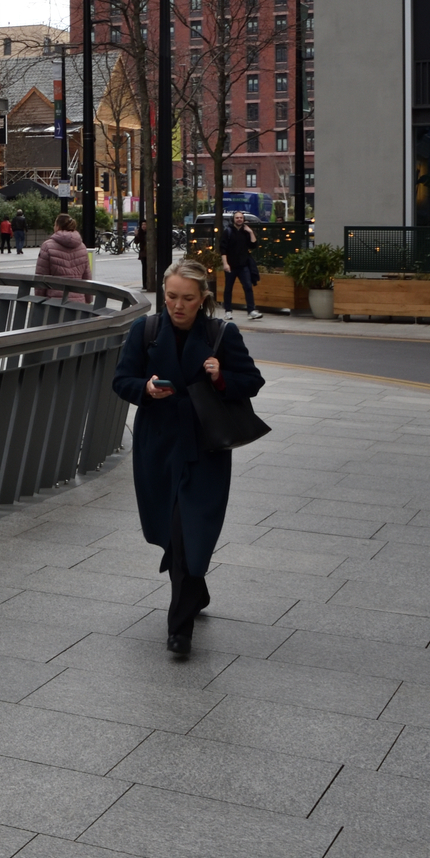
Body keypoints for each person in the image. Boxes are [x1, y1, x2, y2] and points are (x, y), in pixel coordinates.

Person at [112, 258, 265, 655]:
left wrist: (220, 377)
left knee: (189, 530)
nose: (178, 306)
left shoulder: (221, 334)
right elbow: (121, 380)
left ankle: (179, 630)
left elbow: (252, 381)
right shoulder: (144, 330)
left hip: (204, 448)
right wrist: (146, 389)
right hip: (158, 446)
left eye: (187, 298)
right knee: (169, 530)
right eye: (171, 296)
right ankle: (196, 590)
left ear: (203, 299)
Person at [34, 212, 92, 302]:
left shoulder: (47, 246)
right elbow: (86, 277)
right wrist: (88, 299)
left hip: (54, 303)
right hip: (78, 303)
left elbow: (41, 277)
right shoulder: (82, 247)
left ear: (57, 226)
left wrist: (39, 299)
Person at [222, 214, 260, 320]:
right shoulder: (228, 232)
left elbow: (253, 245)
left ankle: (251, 310)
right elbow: (223, 249)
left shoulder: (246, 232)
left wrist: (251, 232)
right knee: (228, 288)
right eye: (237, 218)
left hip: (243, 265)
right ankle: (228, 311)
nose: (239, 219)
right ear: (233, 219)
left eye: (241, 218)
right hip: (231, 265)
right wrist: (225, 264)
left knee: (248, 287)